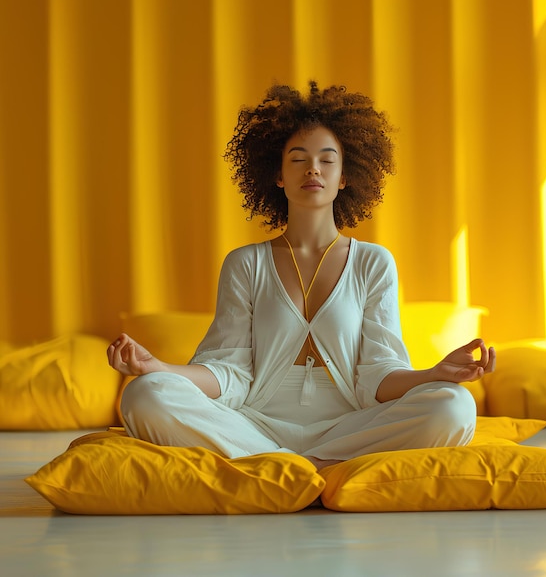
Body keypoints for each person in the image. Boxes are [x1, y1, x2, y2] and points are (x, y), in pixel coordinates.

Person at [107, 81, 495, 472]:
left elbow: (376, 376)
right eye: (298, 159)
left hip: (351, 426)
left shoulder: (373, 263)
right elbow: (231, 372)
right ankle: (309, 467)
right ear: (277, 175)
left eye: (327, 160)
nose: (313, 169)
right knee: (144, 395)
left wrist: (434, 373)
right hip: (252, 424)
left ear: (345, 176)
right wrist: (158, 368)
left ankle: (290, 467)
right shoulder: (245, 264)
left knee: (455, 405)